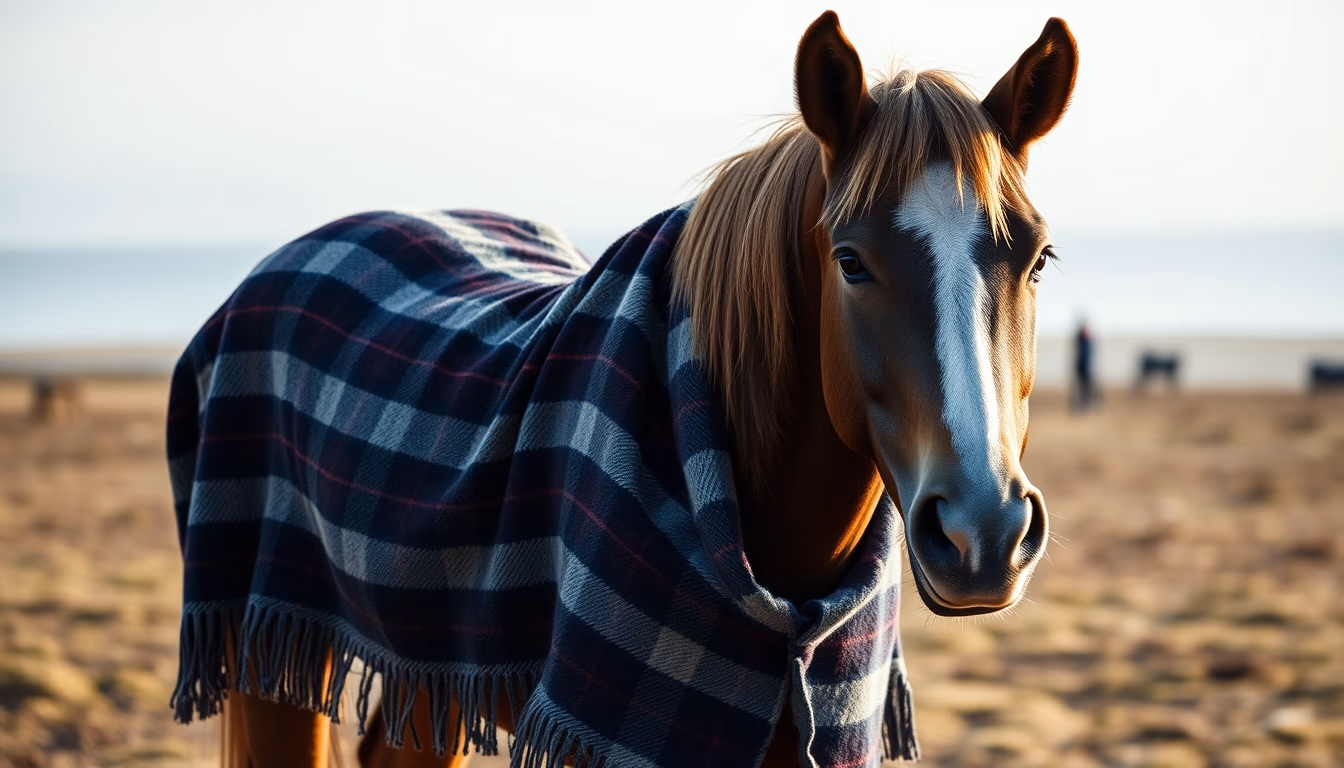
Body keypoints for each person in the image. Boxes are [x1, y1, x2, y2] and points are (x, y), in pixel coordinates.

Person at [1073, 321, 1095, 411]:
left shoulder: (1087, 341)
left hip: (1087, 368)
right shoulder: (1081, 341)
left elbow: (1089, 356)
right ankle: (1082, 404)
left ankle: (1087, 404)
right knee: (1082, 387)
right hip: (1082, 368)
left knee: (1087, 387)